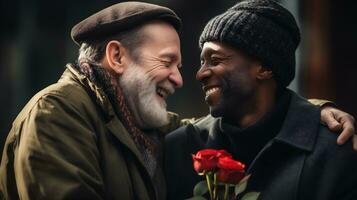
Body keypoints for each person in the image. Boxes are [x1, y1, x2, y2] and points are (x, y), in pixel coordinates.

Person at [0, 1, 355, 200]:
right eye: (167, 62)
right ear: (118, 57)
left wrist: (317, 112)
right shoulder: (57, 115)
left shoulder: (138, 122)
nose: (183, 78)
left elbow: (239, 124)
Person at [165, 0, 357, 199]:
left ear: (265, 69)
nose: (201, 74)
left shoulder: (334, 152)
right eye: (202, 62)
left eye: (216, 60)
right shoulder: (180, 147)